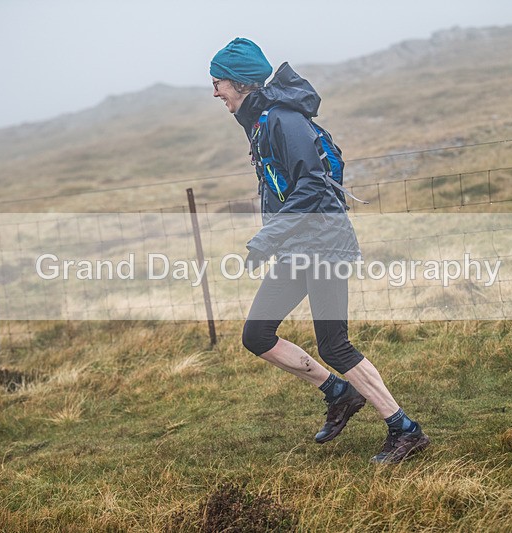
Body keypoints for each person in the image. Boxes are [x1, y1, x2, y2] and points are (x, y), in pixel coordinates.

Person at [210, 37, 430, 464]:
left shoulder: (282, 121)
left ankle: (405, 430)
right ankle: (339, 393)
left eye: (218, 82)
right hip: (296, 248)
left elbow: (310, 184)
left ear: (239, 83)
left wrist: (266, 239)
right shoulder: (261, 123)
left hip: (324, 245)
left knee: (335, 345)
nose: (215, 92)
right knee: (256, 335)